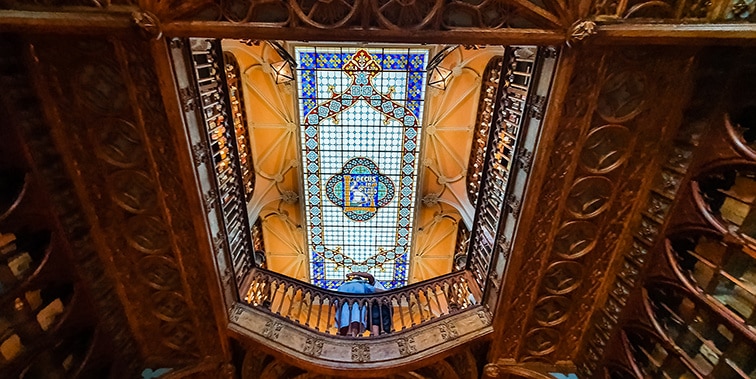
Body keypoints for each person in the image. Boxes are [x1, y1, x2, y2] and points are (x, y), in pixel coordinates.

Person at [334, 272, 374, 336]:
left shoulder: (343, 286)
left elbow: (336, 303)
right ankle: (353, 337)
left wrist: (337, 312)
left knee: (344, 326)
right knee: (355, 324)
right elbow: (375, 290)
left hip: (344, 308)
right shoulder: (363, 285)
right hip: (357, 307)